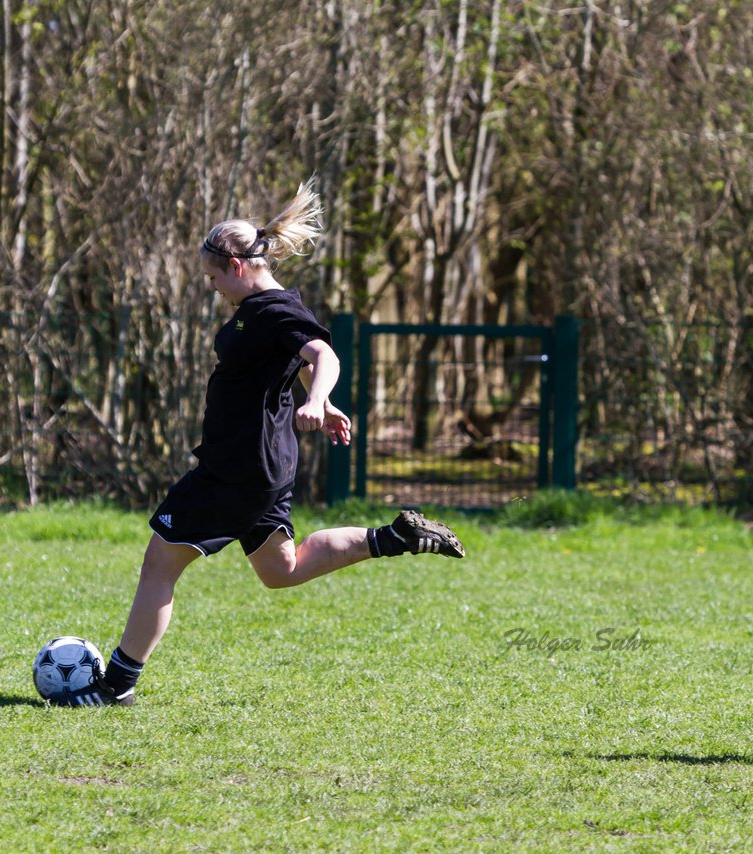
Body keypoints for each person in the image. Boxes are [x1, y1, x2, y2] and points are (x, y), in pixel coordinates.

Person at [69, 181, 465, 707]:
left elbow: (324, 356)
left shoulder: (274, 310)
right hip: (262, 465)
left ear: (236, 267)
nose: (212, 288)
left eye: (213, 278)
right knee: (283, 570)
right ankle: (394, 537)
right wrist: (315, 400)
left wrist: (319, 397)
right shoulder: (260, 312)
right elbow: (294, 362)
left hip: (238, 469)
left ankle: (115, 687)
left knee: (160, 564)